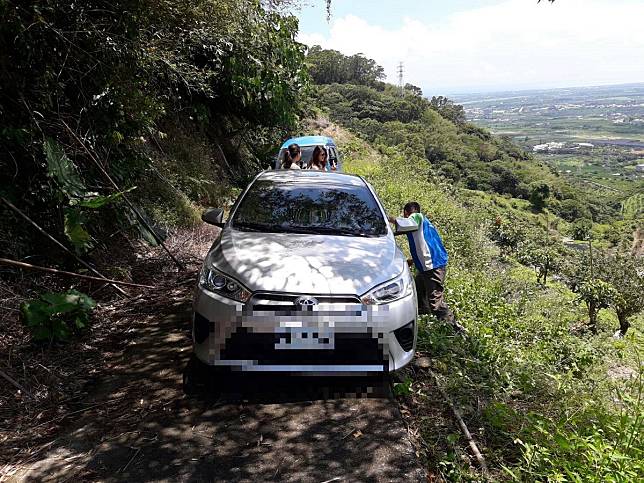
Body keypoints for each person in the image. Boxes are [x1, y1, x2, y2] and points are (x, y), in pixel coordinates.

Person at [389, 202, 465, 333]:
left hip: (433, 267)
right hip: (429, 266)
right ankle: (424, 319)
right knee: (419, 290)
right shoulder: (424, 225)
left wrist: (387, 219)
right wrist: (413, 260)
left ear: (406, 213)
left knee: (435, 301)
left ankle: (455, 329)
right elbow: (425, 244)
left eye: (404, 215)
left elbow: (404, 224)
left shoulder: (417, 217)